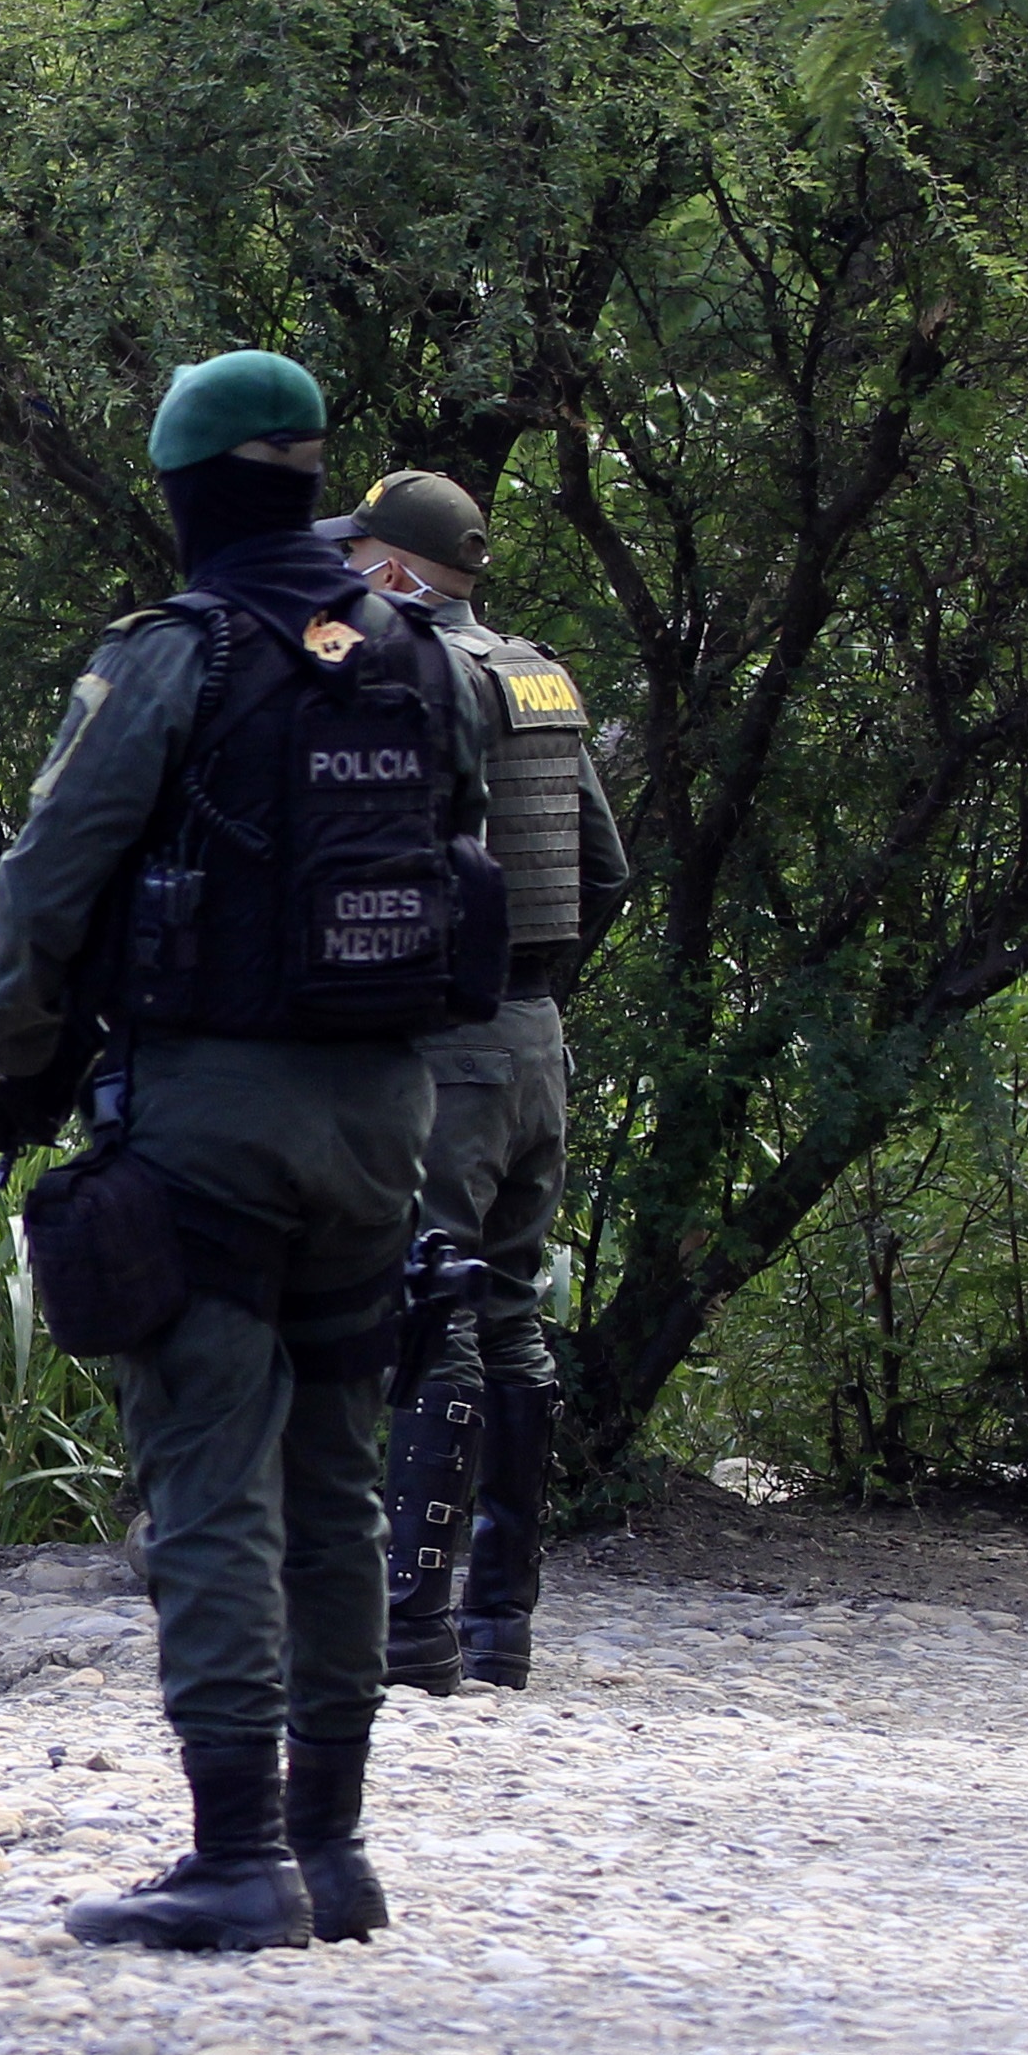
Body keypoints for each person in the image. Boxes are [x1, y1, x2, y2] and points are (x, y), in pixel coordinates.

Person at [0, 353, 490, 1954]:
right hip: (385, 1115)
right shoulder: (426, 658)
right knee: (335, 1472)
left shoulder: (168, 658)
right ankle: (333, 1849)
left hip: (213, 1121)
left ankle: (235, 1853)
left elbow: (45, 891)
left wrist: (22, 1069)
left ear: (189, 493)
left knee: (209, 1468)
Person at [322, 469, 631, 1694]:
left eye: (358, 558)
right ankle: (500, 1614)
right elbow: (600, 867)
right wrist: (530, 985)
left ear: (395, 572)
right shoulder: (536, 673)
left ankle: (413, 1617)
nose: (344, 575)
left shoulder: (402, 674)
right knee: (508, 1309)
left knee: (430, 1299)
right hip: (534, 1034)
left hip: (441, 1044)